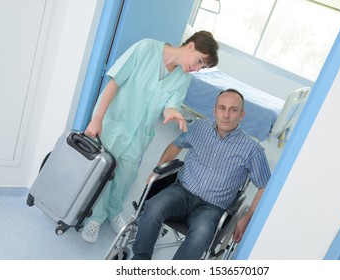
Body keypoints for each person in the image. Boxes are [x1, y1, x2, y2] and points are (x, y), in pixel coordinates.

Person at [81, 31, 219, 243]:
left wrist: (172, 112)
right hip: (114, 124)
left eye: (202, 67)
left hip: (139, 134)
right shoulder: (145, 48)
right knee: (105, 172)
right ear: (190, 46)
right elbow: (114, 83)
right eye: (199, 61)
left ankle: (113, 211)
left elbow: (170, 105)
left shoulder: (183, 78)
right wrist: (97, 119)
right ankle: (95, 218)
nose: (197, 68)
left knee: (125, 176)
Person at [132, 89, 271, 260]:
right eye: (222, 108)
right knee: (153, 207)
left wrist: (247, 218)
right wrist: (158, 169)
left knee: (201, 235)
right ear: (214, 110)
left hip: (211, 208)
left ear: (242, 115)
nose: (226, 115)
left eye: (233, 110)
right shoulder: (199, 127)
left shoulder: (252, 150)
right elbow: (176, 144)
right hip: (181, 192)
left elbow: (264, 186)